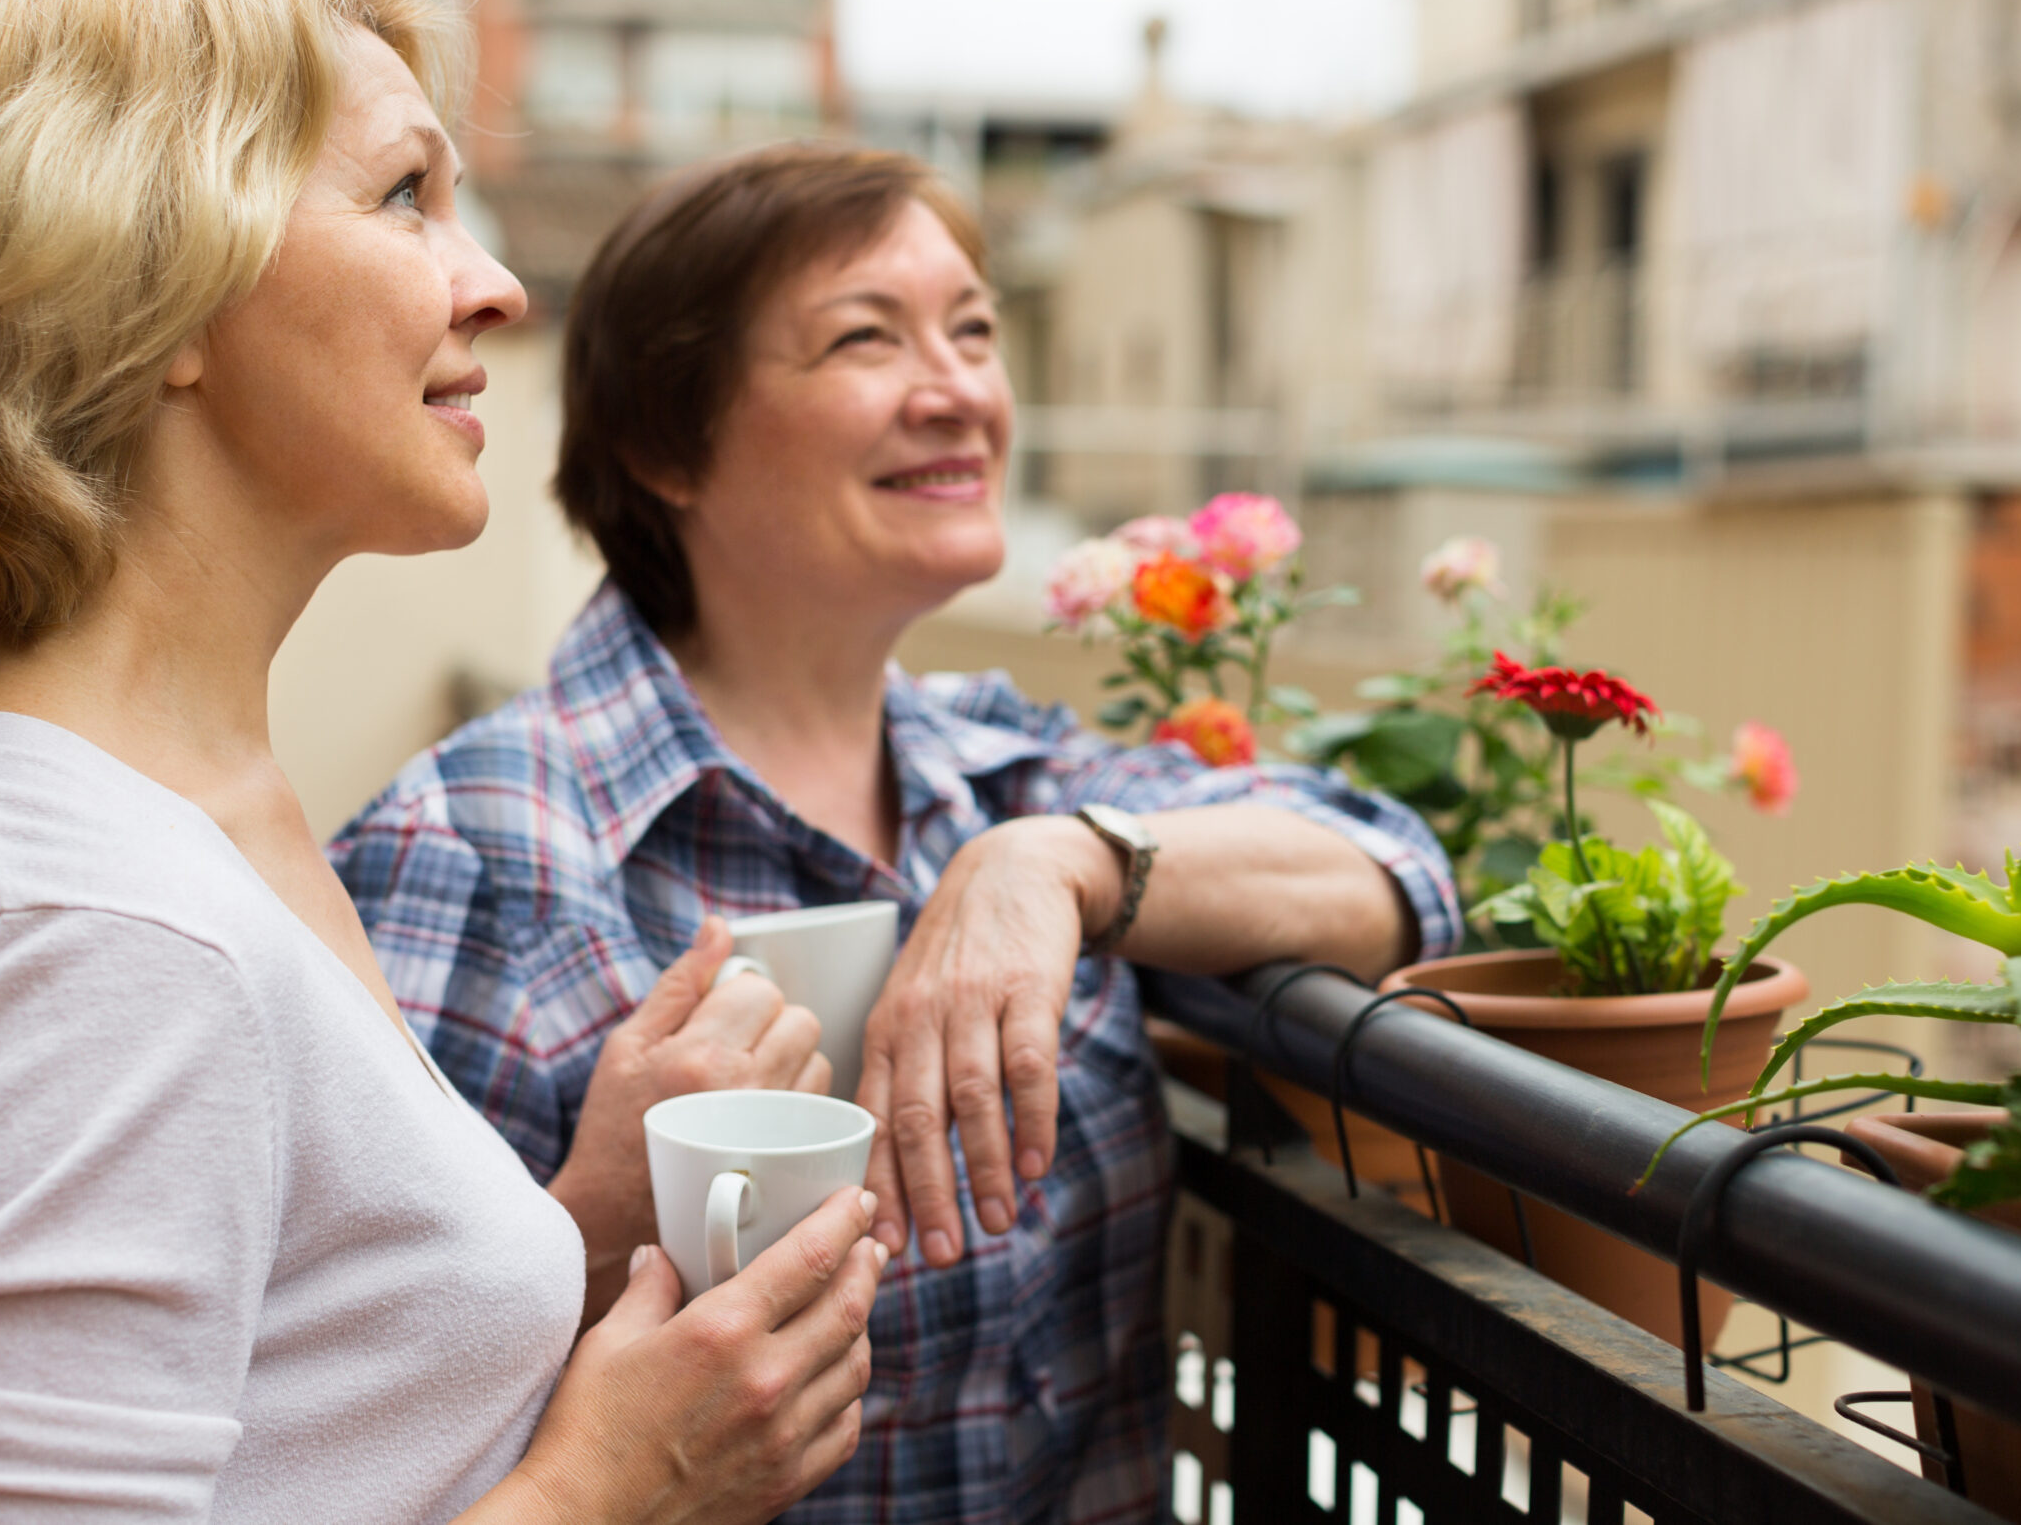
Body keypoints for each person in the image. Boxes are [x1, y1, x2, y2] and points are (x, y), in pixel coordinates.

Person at [0, 0, 880, 1525]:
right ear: (150, 288)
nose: (493, 283)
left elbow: (283, 1400)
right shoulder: (96, 927)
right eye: (405, 195)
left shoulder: (155, 796)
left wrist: (579, 1216)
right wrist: (610, 1490)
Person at [332, 142, 1462, 1523]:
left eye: (974, 331)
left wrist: (1063, 865)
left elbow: (1395, 866)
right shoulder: (470, 850)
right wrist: (594, 1219)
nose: (960, 393)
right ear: (663, 443)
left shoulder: (1002, 773)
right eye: (867, 339)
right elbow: (354, 1423)